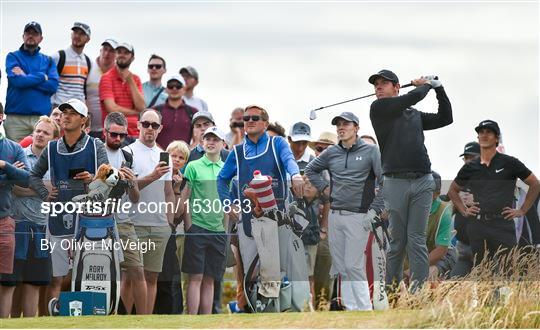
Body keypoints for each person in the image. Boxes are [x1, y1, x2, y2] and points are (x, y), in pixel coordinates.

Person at [368, 69, 452, 290]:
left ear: (396, 87)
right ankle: (392, 292)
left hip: (423, 179)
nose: (378, 87)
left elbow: (446, 118)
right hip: (395, 181)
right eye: (376, 84)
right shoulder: (378, 109)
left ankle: (418, 293)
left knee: (416, 239)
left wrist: (439, 89)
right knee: (397, 242)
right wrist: (424, 85)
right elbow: (413, 96)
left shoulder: (413, 115)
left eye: (384, 83)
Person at [29, 98, 108, 314]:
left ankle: (79, 316)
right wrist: (45, 193)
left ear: (83, 120)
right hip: (58, 219)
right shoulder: (52, 147)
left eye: (72, 113)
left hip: (89, 220)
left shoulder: (96, 145)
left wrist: (91, 178)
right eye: (64, 112)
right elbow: (33, 176)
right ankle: (52, 319)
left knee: (84, 274)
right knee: (56, 277)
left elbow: (107, 178)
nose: (66, 116)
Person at [305, 111, 384, 311]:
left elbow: (385, 182)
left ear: (356, 128)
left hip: (359, 216)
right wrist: (324, 188)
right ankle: (351, 310)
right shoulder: (331, 153)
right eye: (338, 124)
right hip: (335, 216)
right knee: (342, 267)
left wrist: (374, 210)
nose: (341, 128)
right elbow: (310, 170)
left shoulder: (372, 151)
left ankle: (365, 310)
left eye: (346, 124)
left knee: (353, 265)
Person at [217, 105, 303, 273]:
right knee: (251, 274)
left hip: (278, 215)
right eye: (246, 118)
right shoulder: (238, 151)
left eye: (255, 118)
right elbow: (221, 179)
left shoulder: (277, 143)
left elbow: (289, 159)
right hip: (248, 218)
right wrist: (228, 204)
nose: (249, 121)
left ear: (265, 123)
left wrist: (295, 175)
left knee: (279, 272)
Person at [447, 120, 539, 270]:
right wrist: (464, 209)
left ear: (496, 138)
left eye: (488, 132)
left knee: (508, 273)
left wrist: (521, 210)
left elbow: (534, 184)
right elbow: (452, 191)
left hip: (503, 224)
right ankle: (484, 294)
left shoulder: (510, 162)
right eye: (481, 132)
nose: (484, 135)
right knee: (482, 273)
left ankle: (507, 293)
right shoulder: (470, 167)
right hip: (477, 225)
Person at [0, 117, 59, 318]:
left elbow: (56, 193)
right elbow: (15, 187)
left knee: (34, 282)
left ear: (53, 139)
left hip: (43, 227)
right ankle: (12, 323)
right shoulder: (19, 153)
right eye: (38, 131)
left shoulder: (56, 163)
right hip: (18, 225)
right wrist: (41, 188)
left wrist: (26, 182)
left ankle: (29, 324)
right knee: (11, 281)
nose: (40, 135)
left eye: (45, 132)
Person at [124, 109, 174, 314]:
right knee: (130, 276)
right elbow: (128, 190)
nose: (150, 129)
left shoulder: (165, 156)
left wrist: (169, 222)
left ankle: (146, 321)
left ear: (160, 128)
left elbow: (169, 192)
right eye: (146, 124)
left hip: (159, 225)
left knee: (152, 276)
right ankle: (124, 320)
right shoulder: (128, 152)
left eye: (154, 125)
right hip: (133, 223)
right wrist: (153, 175)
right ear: (138, 125)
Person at [102, 112, 145, 314]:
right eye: (114, 135)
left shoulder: (127, 156)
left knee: (137, 270)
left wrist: (132, 182)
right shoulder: (96, 152)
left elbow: (135, 198)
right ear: (105, 132)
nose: (118, 139)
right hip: (99, 220)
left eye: (122, 135)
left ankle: (144, 321)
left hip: (123, 220)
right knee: (102, 272)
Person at [181, 127, 228, 314]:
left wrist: (224, 229)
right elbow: (185, 198)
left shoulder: (226, 169)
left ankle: (206, 322)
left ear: (223, 144)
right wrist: (189, 225)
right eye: (207, 138)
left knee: (210, 279)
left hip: (218, 231)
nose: (210, 142)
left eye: (215, 139)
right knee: (196, 277)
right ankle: (192, 321)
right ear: (202, 143)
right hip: (197, 228)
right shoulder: (193, 166)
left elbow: (227, 202)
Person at [4, 22, 59, 142]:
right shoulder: (12, 57)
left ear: (41, 38)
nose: (31, 36)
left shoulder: (48, 60)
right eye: (28, 33)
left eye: (35, 33)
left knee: (40, 157)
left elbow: (53, 86)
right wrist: (41, 77)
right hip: (16, 120)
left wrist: (26, 76)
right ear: (23, 36)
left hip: (41, 120)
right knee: (14, 158)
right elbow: (18, 82)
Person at [0, 105, 30, 318]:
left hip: (4, 221)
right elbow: (17, 177)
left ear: (1, 117)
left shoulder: (13, 148)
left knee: (6, 281)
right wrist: (10, 172)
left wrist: (3, 165)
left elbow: (27, 178)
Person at [404, 172, 456, 282]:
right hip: (413, 254)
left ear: (436, 194)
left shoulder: (444, 213)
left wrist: (413, 270)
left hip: (439, 256)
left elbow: (441, 249)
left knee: (428, 274)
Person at [307, 131, 337, 308]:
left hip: (333, 232)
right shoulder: (308, 170)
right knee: (307, 276)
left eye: (328, 149)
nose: (323, 152)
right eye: (320, 149)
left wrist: (324, 227)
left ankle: (323, 314)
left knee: (326, 278)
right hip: (309, 232)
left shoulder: (345, 173)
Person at [100, 42, 145, 140]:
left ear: (132, 58)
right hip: (114, 135)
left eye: (126, 53)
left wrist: (131, 82)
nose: (122, 55)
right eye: (119, 52)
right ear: (116, 55)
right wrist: (136, 112)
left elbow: (141, 107)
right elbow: (111, 108)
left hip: (135, 134)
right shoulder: (106, 78)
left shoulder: (135, 79)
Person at [449, 142, 480, 278]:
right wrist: (456, 202)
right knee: (452, 287)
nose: (468, 161)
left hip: (485, 248)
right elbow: (446, 209)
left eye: (472, 158)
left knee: (489, 292)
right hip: (463, 248)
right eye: (466, 158)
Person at [51, 22, 92, 107]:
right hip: (60, 107)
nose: (77, 36)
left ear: (88, 39)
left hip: (79, 109)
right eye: (75, 32)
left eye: (81, 34)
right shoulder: (58, 56)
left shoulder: (88, 61)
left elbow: (83, 89)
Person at [154, 75, 197, 148]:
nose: (174, 88)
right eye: (171, 86)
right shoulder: (155, 111)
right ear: (166, 89)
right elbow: (150, 137)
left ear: (184, 89)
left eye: (178, 86)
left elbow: (197, 139)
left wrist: (187, 153)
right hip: (159, 157)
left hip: (184, 158)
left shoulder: (193, 112)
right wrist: (163, 155)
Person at [86, 39, 117, 139]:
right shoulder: (89, 67)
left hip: (109, 130)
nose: (107, 53)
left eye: (111, 51)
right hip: (87, 128)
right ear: (100, 50)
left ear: (116, 55)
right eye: (105, 49)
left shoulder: (119, 74)